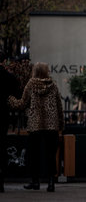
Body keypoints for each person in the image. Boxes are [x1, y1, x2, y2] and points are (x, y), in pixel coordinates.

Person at [8, 62, 64, 192]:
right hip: (52, 125)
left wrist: (10, 99)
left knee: (34, 154)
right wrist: (60, 124)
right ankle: (51, 183)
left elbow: (22, 104)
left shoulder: (31, 85)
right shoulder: (53, 85)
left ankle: (35, 182)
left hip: (35, 125)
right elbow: (59, 106)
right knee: (51, 155)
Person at [0, 64, 20, 193]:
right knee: (2, 146)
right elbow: (16, 95)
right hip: (2, 115)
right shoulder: (9, 77)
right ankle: (1, 180)